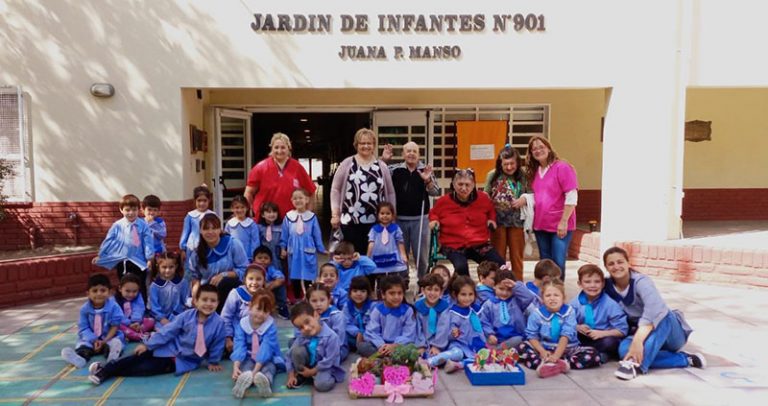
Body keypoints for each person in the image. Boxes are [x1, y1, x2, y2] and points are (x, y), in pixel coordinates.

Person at [87, 284, 226, 385]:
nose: (208, 304)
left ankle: (105, 369)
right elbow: (168, 331)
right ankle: (104, 372)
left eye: (213, 301)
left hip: (183, 360)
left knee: (144, 370)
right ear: (195, 301)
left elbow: (218, 344)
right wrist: (148, 345)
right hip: (167, 348)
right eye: (204, 300)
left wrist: (213, 361)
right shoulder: (186, 316)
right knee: (137, 357)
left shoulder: (219, 323)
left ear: (218, 303)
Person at [602, 247, 706, 380]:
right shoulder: (608, 286)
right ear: (606, 267)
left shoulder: (641, 282)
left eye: (620, 262)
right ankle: (685, 359)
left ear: (628, 263)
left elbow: (654, 310)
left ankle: (634, 364)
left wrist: (637, 341)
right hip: (644, 335)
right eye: (611, 264)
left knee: (662, 314)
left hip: (670, 333)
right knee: (623, 351)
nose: (616, 266)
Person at [517, 136, 578, 279]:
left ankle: (558, 294)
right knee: (545, 263)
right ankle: (547, 293)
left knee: (557, 262)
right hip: (541, 224)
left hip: (559, 224)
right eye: (534, 149)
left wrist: (564, 221)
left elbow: (571, 195)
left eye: (541, 147)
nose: (538, 150)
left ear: (549, 148)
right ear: (531, 154)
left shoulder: (562, 167)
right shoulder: (535, 172)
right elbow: (536, 196)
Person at [330, 128, 396, 254]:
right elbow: (336, 189)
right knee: (351, 256)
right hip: (350, 221)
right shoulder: (347, 163)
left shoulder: (381, 166)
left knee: (373, 256)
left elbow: (391, 192)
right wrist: (335, 214)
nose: (366, 146)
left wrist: (392, 214)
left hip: (376, 221)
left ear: (374, 145)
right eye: (362, 143)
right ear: (356, 145)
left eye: (369, 143)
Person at [518, 280, 602, 379]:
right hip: (545, 348)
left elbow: (566, 335)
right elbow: (532, 336)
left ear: (563, 298)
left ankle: (558, 363)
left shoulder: (569, 312)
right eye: (548, 295)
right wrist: (542, 351)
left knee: (594, 355)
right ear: (542, 299)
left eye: (556, 295)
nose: (552, 298)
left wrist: (557, 355)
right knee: (522, 347)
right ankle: (547, 362)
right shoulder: (536, 314)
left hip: (568, 349)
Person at [428, 169, 504, 276]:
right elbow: (433, 213)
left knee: (499, 263)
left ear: (473, 185)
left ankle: (491, 289)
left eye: (467, 185)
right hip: (453, 245)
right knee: (461, 267)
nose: (464, 188)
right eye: (460, 184)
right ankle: (464, 290)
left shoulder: (482, 198)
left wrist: (491, 219)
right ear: (454, 185)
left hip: (478, 244)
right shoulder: (443, 201)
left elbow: (490, 210)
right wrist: (434, 220)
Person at [382, 141, 441, 279]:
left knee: (421, 255)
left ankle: (423, 282)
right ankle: (403, 281)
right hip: (399, 220)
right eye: (408, 151)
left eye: (414, 151)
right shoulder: (395, 170)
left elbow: (435, 192)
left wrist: (428, 181)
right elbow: (379, 172)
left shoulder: (425, 170)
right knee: (401, 255)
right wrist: (384, 160)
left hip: (420, 220)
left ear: (419, 154)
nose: (411, 154)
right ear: (403, 154)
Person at [93, 194, 154, 301]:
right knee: (124, 286)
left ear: (138, 210)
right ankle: (124, 308)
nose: (131, 213)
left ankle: (142, 309)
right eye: (127, 210)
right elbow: (109, 240)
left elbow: (148, 242)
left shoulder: (143, 225)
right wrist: (101, 254)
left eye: (134, 210)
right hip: (123, 261)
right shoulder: (117, 225)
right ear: (121, 210)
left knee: (140, 285)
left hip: (139, 261)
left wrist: (149, 258)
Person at [245, 133, 316, 222]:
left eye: (283, 147)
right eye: (276, 147)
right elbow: (248, 192)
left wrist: (307, 216)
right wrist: (249, 214)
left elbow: (311, 191)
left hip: (292, 221)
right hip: (265, 222)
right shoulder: (260, 167)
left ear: (288, 148)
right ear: (271, 148)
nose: (279, 151)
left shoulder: (297, 167)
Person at [187, 213, 249, 311]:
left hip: (230, 291)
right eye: (206, 229)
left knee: (225, 283)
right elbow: (195, 278)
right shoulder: (197, 252)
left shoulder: (233, 244)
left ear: (220, 229)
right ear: (200, 231)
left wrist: (224, 275)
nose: (210, 232)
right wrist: (195, 297)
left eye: (214, 228)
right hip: (207, 294)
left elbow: (245, 270)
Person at [230, 289, 285, 399]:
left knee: (269, 369)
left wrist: (256, 370)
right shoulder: (242, 324)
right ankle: (241, 383)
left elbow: (267, 347)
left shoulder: (270, 326)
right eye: (258, 309)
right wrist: (235, 367)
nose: (261, 314)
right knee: (245, 368)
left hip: (268, 357)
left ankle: (265, 383)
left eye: (265, 311)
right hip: (249, 356)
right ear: (250, 306)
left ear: (270, 312)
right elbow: (239, 344)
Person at [484, 146, 529, 281]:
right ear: (500, 163)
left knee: (517, 257)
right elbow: (486, 194)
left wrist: (524, 199)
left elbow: (533, 195)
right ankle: (498, 284)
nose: (509, 167)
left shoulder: (524, 176)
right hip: (497, 222)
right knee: (498, 257)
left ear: (517, 162)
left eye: (512, 163)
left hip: (518, 222)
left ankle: (518, 286)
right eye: (505, 164)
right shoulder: (492, 175)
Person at [61, 274, 124, 368]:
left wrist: (104, 341)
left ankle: (111, 358)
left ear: (109, 292)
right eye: (95, 291)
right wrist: (94, 340)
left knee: (114, 344)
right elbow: (84, 328)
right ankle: (80, 359)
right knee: (84, 348)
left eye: (103, 290)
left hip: (108, 337)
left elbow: (115, 326)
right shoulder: (84, 309)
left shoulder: (114, 307)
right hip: (90, 340)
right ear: (88, 294)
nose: (99, 293)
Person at [570, 264, 628, 361]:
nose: (592, 285)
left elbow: (622, 331)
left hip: (603, 338)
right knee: (564, 334)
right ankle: (586, 352)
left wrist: (602, 333)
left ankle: (599, 354)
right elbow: (566, 321)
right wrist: (578, 327)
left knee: (610, 342)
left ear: (603, 284)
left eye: (597, 282)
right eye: (587, 282)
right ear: (580, 284)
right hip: (583, 337)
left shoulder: (610, 304)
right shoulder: (575, 303)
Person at [426, 276, 485, 372]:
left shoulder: (476, 310)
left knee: (485, 356)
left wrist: (490, 336)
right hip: (459, 345)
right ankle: (430, 362)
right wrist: (451, 335)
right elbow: (443, 331)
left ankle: (458, 364)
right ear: (455, 295)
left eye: (471, 294)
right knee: (458, 353)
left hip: (475, 344)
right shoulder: (451, 313)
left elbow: (484, 325)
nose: (467, 298)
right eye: (463, 294)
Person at [285, 302, 346, 392]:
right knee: (296, 350)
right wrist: (291, 375)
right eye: (300, 327)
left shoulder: (332, 337)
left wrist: (312, 372)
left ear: (316, 315)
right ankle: (302, 374)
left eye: (307, 322)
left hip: (325, 367)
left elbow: (329, 360)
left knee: (322, 385)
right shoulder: (303, 336)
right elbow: (289, 355)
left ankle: (321, 376)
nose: (306, 328)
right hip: (309, 364)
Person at [280, 188, 326, 300]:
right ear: (291, 200)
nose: (298, 200)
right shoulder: (289, 217)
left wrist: (321, 248)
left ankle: (310, 298)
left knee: (308, 276)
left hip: (307, 250)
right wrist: (283, 248)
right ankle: (297, 299)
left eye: (301, 198)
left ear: (307, 200)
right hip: (293, 251)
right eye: (295, 198)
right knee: (294, 276)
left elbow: (317, 234)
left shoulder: (312, 217)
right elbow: (284, 234)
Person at [359, 275, 417, 357]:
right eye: (392, 293)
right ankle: (387, 356)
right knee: (363, 347)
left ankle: (386, 357)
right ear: (383, 294)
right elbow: (371, 331)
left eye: (399, 293)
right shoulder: (378, 310)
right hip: (380, 345)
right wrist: (381, 345)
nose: (396, 297)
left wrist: (394, 345)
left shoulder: (408, 311)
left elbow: (409, 334)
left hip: (399, 346)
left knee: (412, 349)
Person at [479, 269, 535, 350]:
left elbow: (529, 297)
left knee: (519, 340)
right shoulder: (488, 304)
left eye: (509, 290)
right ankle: (499, 350)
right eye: (501, 289)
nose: (505, 293)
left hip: (516, 337)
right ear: (494, 286)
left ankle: (499, 350)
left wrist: (516, 286)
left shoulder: (517, 300)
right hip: (497, 339)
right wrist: (490, 334)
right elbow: (484, 321)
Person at [221, 264, 266, 353]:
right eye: (251, 279)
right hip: (236, 336)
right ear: (244, 280)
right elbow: (226, 317)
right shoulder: (236, 294)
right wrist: (228, 338)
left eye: (259, 279)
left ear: (264, 281)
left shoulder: (265, 296)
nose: (254, 282)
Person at [367, 202, 409, 294]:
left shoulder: (396, 228)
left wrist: (403, 255)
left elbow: (400, 242)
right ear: (377, 215)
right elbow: (371, 243)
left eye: (388, 213)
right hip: (378, 257)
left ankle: (393, 292)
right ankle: (380, 294)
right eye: (382, 213)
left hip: (392, 256)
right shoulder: (374, 229)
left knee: (393, 278)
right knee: (380, 278)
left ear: (392, 215)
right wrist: (368, 257)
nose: (385, 216)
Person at [306, 283, 348, 362]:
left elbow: (339, 340)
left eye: (322, 300)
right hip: (314, 345)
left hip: (335, 348)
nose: (318, 304)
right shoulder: (307, 314)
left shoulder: (336, 315)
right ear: (308, 302)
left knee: (333, 356)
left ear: (329, 300)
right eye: (314, 301)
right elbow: (301, 334)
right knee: (294, 344)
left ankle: (318, 362)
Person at [149, 251, 190, 326]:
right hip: (160, 319)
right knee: (162, 333)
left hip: (179, 317)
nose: (167, 270)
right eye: (164, 267)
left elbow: (186, 300)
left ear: (176, 266)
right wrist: (161, 318)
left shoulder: (182, 283)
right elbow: (154, 305)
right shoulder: (154, 286)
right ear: (158, 267)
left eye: (171, 267)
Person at [414, 273, 451, 357]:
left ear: (441, 292)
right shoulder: (418, 307)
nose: (432, 293)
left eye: (436, 290)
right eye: (429, 289)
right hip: (421, 343)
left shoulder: (444, 308)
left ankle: (436, 361)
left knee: (452, 352)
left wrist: (437, 346)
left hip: (440, 343)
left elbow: (443, 329)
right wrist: (421, 345)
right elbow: (417, 329)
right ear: (423, 290)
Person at [179, 185, 215, 271]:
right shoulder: (190, 216)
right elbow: (185, 233)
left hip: (208, 247)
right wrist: (183, 249)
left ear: (209, 201)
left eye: (204, 201)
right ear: (195, 201)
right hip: (192, 248)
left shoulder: (212, 215)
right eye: (199, 200)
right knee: (191, 270)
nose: (202, 203)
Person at [252, 246, 289, 319]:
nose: (263, 260)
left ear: (270, 261)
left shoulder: (271, 269)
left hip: (267, 290)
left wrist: (269, 286)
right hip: (254, 291)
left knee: (281, 286)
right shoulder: (251, 269)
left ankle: (282, 307)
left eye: (266, 258)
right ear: (254, 260)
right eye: (259, 258)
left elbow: (281, 278)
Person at [115, 274, 154, 342]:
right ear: (120, 289)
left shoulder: (138, 297)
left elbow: (139, 309)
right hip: (124, 324)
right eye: (127, 291)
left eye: (134, 291)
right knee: (118, 327)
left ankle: (133, 334)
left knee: (151, 321)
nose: (131, 294)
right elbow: (118, 316)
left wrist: (136, 321)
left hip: (137, 323)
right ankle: (139, 336)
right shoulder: (115, 300)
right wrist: (129, 324)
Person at [343, 276, 374, 354]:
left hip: (368, 335)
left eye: (363, 291)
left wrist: (364, 334)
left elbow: (374, 323)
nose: (359, 294)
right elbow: (346, 323)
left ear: (368, 293)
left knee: (371, 343)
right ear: (350, 293)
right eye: (355, 291)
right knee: (342, 336)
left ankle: (362, 348)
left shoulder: (372, 306)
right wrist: (357, 333)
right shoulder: (347, 306)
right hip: (353, 335)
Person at [225, 195, 260, 262]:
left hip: (248, 257)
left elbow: (255, 242)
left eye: (242, 207)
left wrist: (254, 256)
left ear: (247, 208)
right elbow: (226, 241)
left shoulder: (251, 224)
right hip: (233, 256)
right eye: (237, 207)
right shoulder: (229, 224)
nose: (240, 210)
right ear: (232, 208)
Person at [256, 201, 284, 277]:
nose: (272, 214)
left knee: (279, 275)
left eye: (274, 212)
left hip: (277, 256)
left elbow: (284, 239)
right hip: (264, 257)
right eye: (268, 212)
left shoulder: (281, 226)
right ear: (262, 214)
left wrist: (283, 249)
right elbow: (257, 241)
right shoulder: (259, 227)